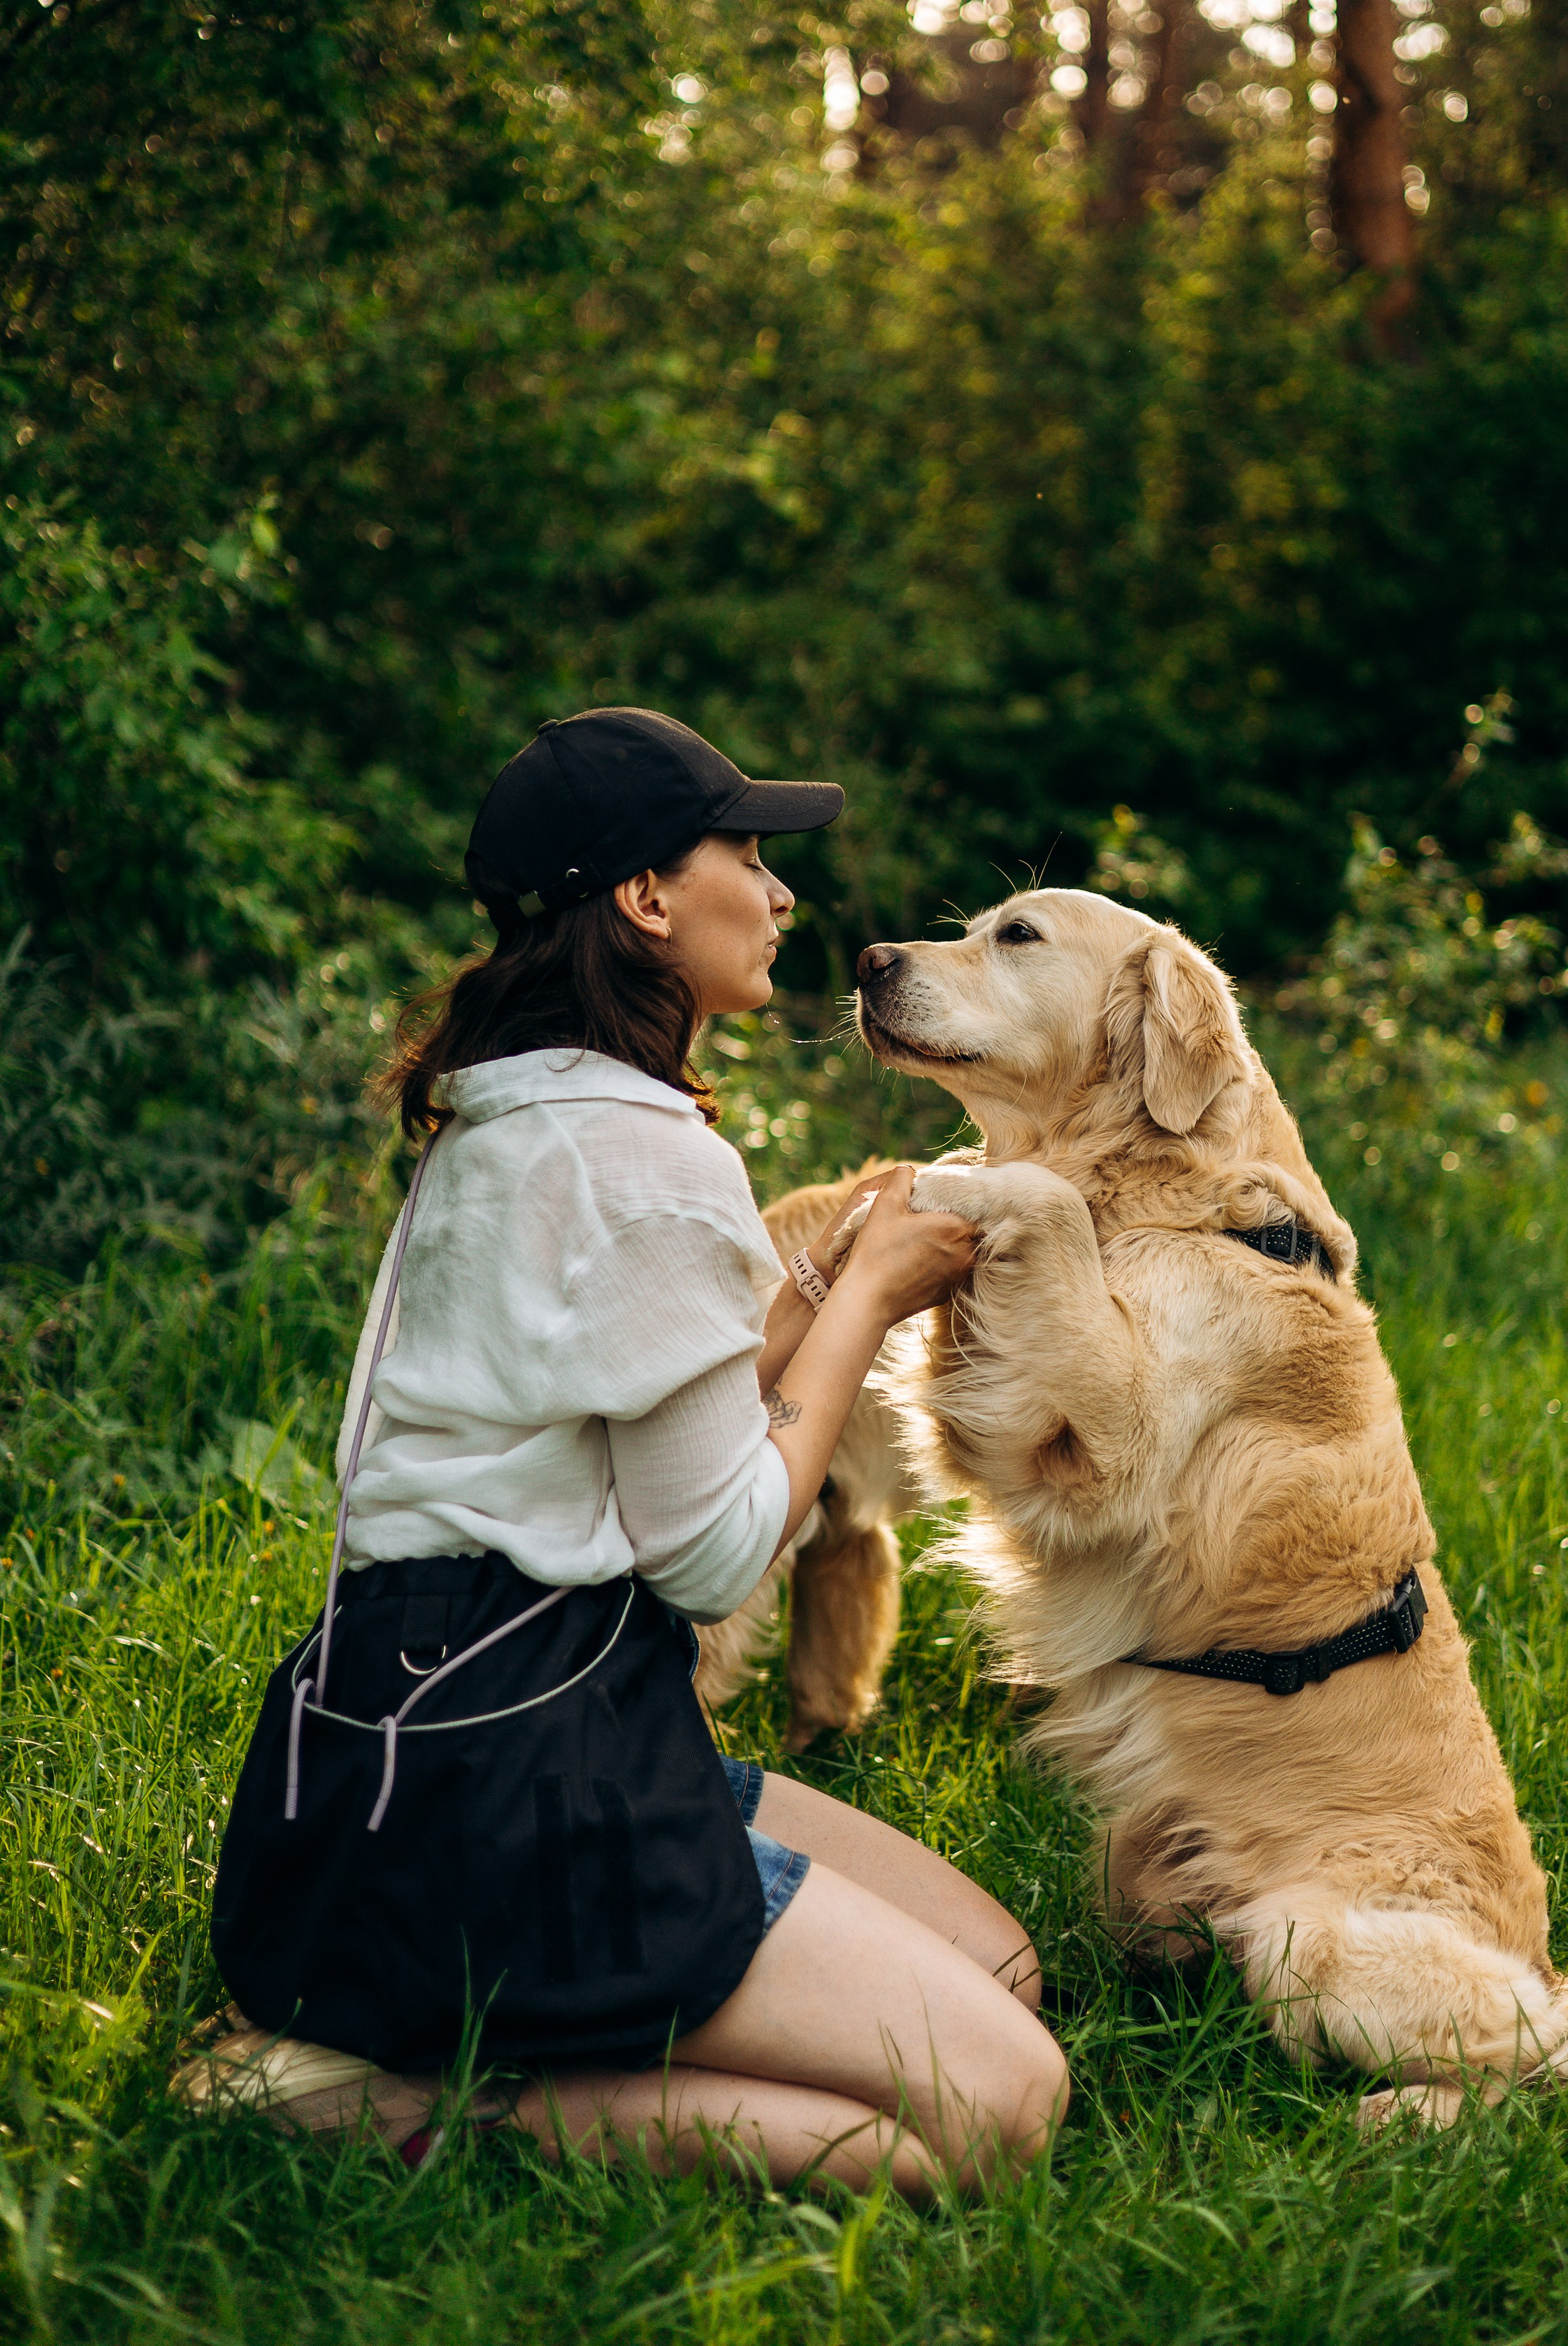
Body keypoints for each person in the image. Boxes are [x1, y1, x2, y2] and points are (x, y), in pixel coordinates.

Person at [189, 708, 1067, 2198]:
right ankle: (384, 2102)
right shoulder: (644, 1158)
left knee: (1003, 1963)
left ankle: (463, 2036)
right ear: (645, 898)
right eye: (744, 852)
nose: (780, 893)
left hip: (425, 1740)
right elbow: (714, 1550)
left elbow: (657, 1409)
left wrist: (801, 1287)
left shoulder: (517, 1116)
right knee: (994, 2112)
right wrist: (864, 1296)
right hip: (515, 1783)